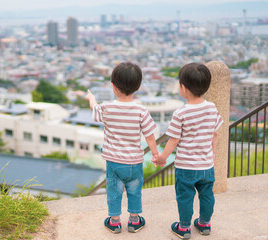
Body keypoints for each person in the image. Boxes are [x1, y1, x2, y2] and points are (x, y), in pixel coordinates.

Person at [85, 62, 159, 234]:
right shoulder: (141, 110)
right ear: (137, 86)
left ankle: (115, 222)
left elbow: (94, 110)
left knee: (114, 191)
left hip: (114, 162)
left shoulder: (107, 108)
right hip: (134, 162)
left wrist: (91, 98)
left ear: (113, 86)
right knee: (134, 191)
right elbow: (149, 134)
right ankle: (134, 221)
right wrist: (155, 154)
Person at [153, 63, 223, 239]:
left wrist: (162, 158)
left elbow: (173, 140)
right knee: (207, 195)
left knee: (185, 197)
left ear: (183, 88)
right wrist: (212, 152)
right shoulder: (212, 108)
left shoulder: (180, 113)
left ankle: (184, 227)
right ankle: (205, 223)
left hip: (186, 167)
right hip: (207, 164)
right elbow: (215, 133)